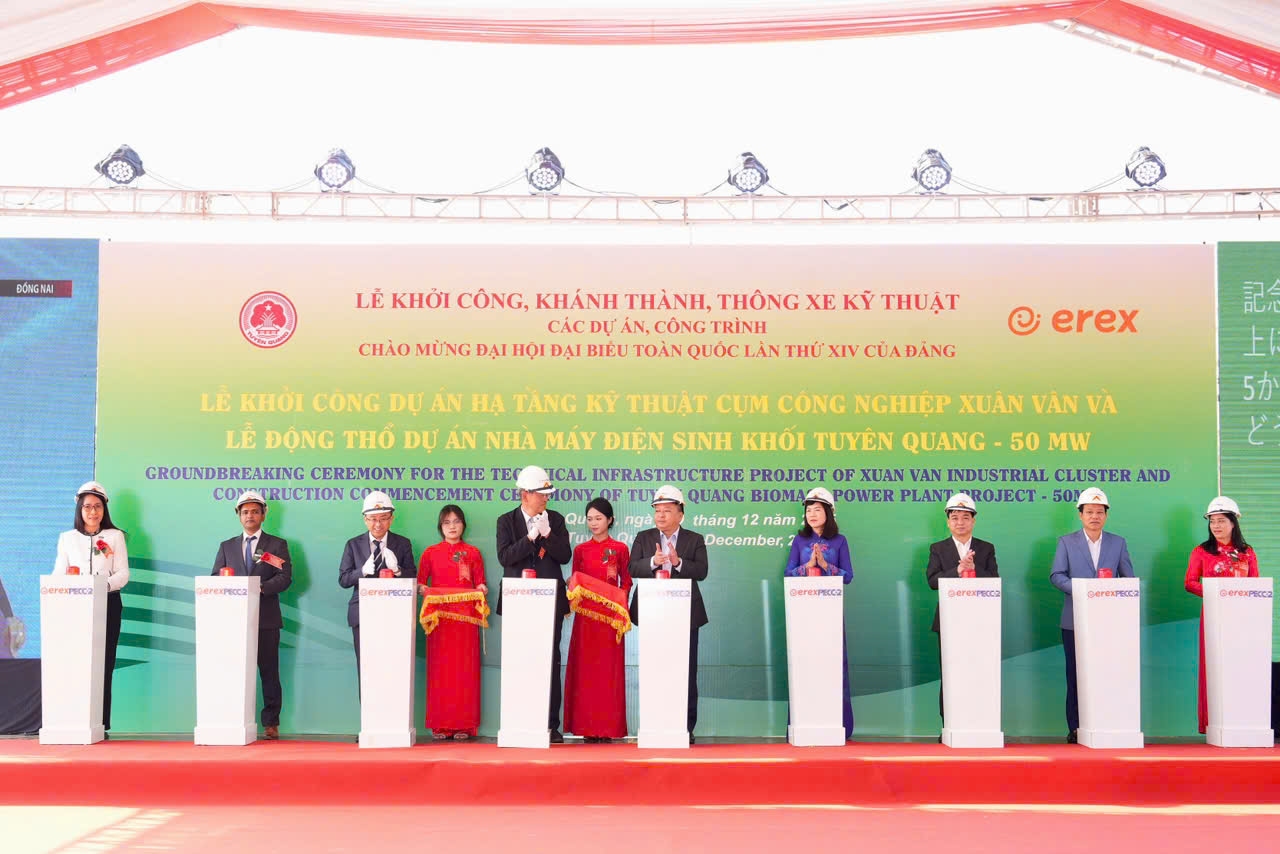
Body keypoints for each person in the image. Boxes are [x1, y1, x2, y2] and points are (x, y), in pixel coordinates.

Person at [1049, 486, 1134, 744]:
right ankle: (1075, 727)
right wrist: (1084, 590)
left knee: (1107, 673)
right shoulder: (1066, 542)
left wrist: (1110, 593)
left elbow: (1128, 578)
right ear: (1080, 515)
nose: (1094, 516)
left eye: (1099, 512)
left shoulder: (1118, 543)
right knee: (1075, 675)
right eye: (1089, 512)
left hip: (1109, 623)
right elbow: (1056, 575)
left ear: (1106, 515)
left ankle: (1106, 722)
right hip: (1074, 620)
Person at [496, 465, 571, 742]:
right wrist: (530, 538)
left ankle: (550, 724)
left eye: (548, 493)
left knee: (550, 659)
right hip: (518, 602)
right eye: (541, 493)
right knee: (519, 659)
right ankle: (518, 720)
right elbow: (505, 557)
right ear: (525, 493)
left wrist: (548, 535)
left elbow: (564, 556)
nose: (546, 498)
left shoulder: (556, 520)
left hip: (550, 602)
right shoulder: (506, 521)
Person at [629, 485, 709, 743]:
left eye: (666, 511)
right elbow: (632, 568)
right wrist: (654, 561)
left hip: (685, 616)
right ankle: (654, 723)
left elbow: (701, 572)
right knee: (656, 670)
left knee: (686, 671)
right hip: (652, 613)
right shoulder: (643, 537)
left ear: (680, 514)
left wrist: (677, 563)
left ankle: (685, 726)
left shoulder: (694, 539)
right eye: (657, 511)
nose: (660, 516)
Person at [210, 490, 293, 740]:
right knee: (234, 671)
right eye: (245, 512)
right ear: (238, 515)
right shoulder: (227, 546)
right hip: (233, 621)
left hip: (266, 618)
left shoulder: (276, 545)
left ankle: (271, 722)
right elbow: (216, 577)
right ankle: (235, 717)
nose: (250, 516)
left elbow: (285, 577)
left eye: (255, 511)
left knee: (269, 672)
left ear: (263, 515)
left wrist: (260, 588)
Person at [52, 481, 129, 734]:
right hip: (75, 607)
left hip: (108, 604)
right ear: (79, 509)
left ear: (104, 509)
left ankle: (101, 722)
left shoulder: (115, 536)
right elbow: (59, 572)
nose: (93, 512)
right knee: (76, 663)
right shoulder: (67, 539)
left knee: (104, 663)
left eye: (97, 506)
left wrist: (102, 586)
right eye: (87, 507)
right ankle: (75, 720)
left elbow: (123, 573)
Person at [783, 487, 854, 739]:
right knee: (804, 664)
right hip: (804, 611)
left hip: (830, 612)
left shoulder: (840, 541)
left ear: (829, 513)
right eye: (808, 510)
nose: (811, 514)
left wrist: (825, 565)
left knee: (834, 666)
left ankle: (840, 724)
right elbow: (788, 573)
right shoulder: (799, 540)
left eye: (817, 510)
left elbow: (848, 576)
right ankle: (803, 722)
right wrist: (808, 566)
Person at [1183, 496, 1258, 735]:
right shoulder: (1201, 551)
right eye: (1212, 521)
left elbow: (1255, 584)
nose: (1216, 526)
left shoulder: (1247, 552)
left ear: (1233, 523)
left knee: (1241, 665)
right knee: (1214, 666)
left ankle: (1241, 720)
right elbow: (1190, 582)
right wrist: (1218, 592)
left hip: (1241, 618)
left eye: (1221, 521)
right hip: (1214, 616)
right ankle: (1212, 721)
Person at [924, 492, 999, 726]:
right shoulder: (938, 548)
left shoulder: (986, 548)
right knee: (950, 674)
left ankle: (980, 723)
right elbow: (932, 581)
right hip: (949, 621)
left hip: (980, 622)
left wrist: (973, 568)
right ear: (948, 522)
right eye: (955, 518)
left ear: (973, 521)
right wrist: (958, 570)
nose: (960, 522)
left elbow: (994, 580)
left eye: (965, 517)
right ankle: (949, 725)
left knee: (979, 672)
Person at [564, 497, 632, 742]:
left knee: (608, 673)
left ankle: (608, 728)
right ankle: (586, 727)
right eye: (590, 519)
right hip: (586, 620)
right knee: (586, 672)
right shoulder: (580, 550)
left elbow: (626, 581)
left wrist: (619, 602)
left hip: (610, 620)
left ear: (610, 520)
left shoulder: (621, 548)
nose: (593, 523)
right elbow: (575, 580)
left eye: (599, 518)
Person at [417, 504, 488, 740]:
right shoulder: (430, 553)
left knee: (465, 671)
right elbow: (419, 583)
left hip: (465, 622)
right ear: (440, 526)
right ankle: (441, 725)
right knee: (440, 671)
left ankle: (465, 725)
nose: (452, 526)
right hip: (439, 622)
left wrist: (482, 588)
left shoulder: (473, 553)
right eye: (447, 522)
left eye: (456, 521)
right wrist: (422, 589)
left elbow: (480, 582)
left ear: (463, 525)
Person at [338, 491, 416, 679]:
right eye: (373, 519)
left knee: (393, 669)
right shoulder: (353, 545)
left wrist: (397, 570)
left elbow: (413, 575)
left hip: (395, 615)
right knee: (366, 670)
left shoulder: (403, 543)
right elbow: (343, 580)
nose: (378, 524)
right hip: (362, 614)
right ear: (365, 519)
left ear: (392, 518)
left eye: (383, 518)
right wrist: (362, 571)